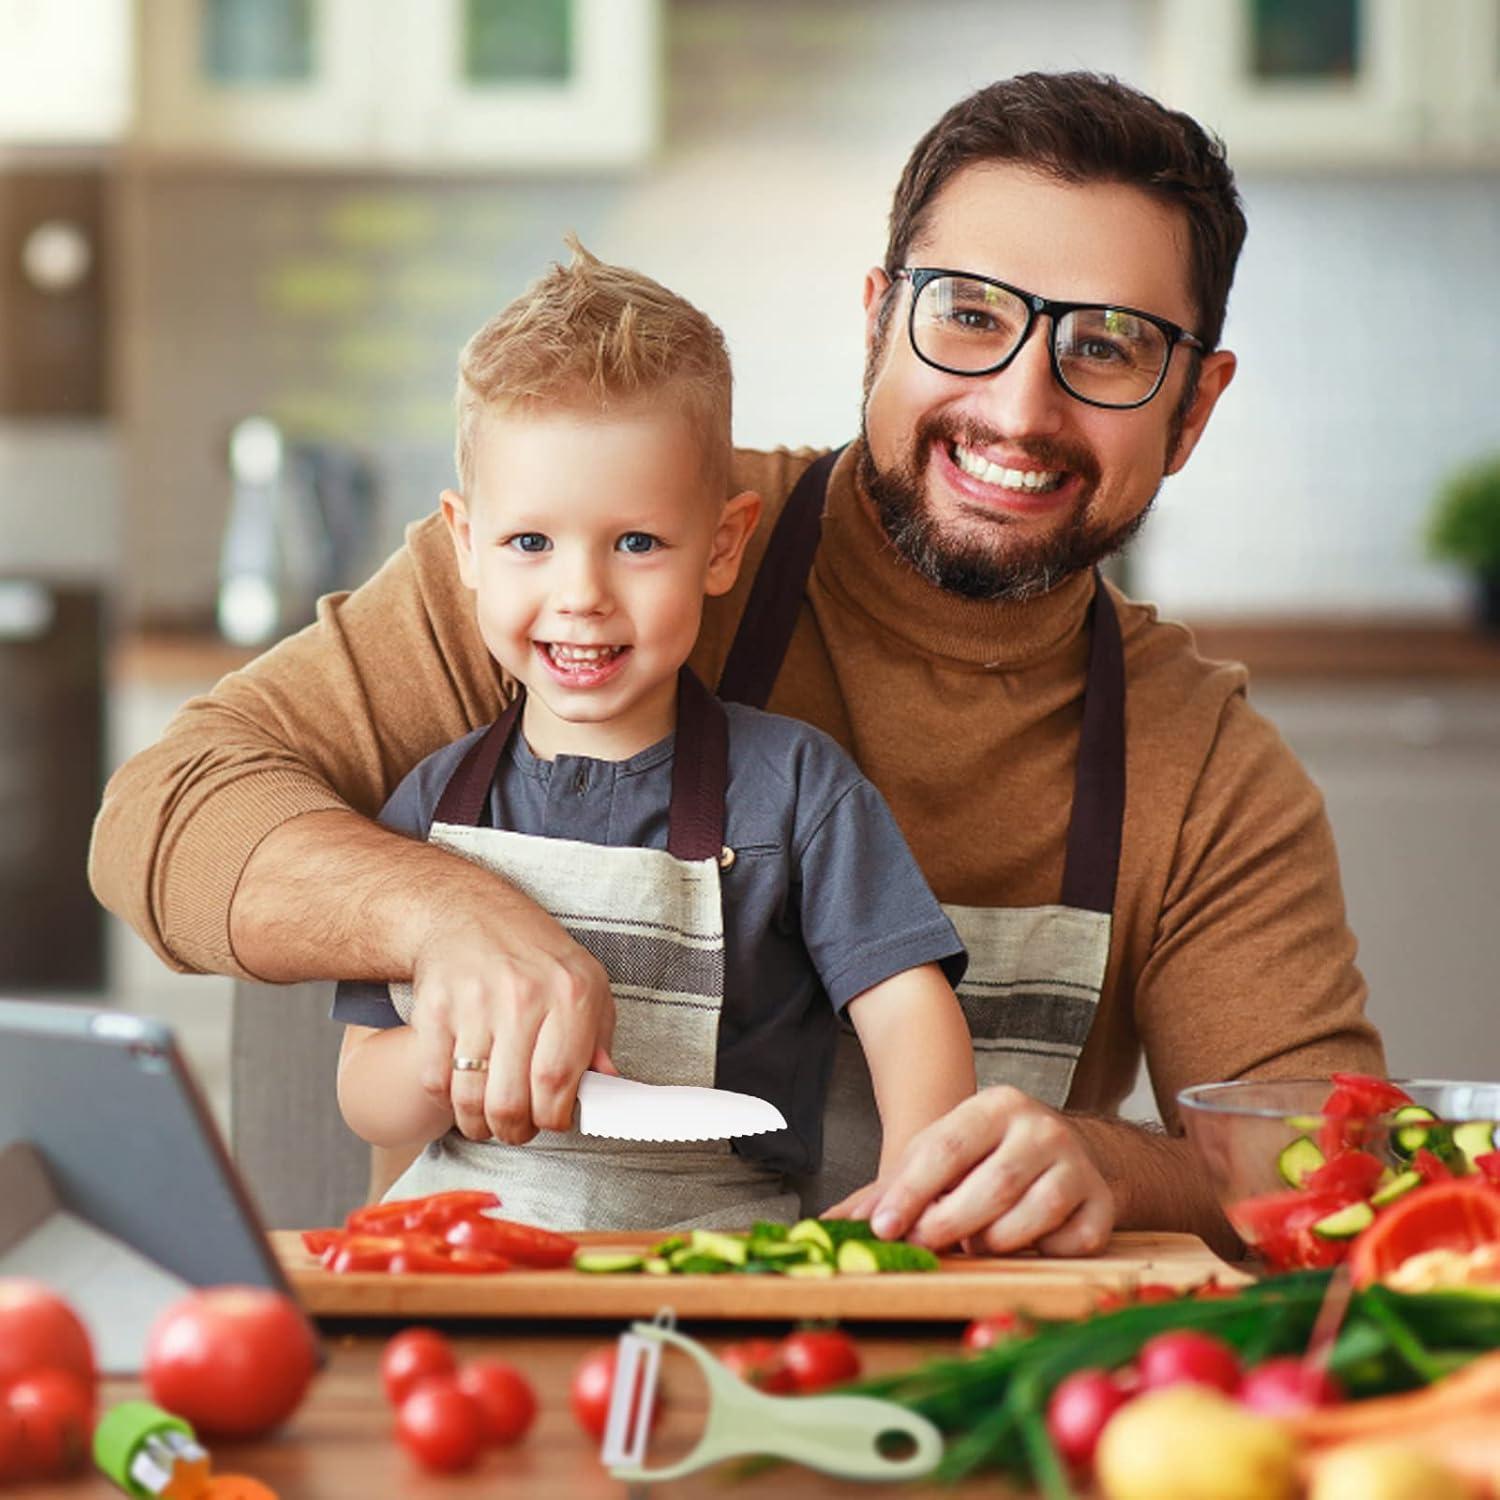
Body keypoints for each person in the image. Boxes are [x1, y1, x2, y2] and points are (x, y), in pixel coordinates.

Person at [90, 71, 1383, 1259]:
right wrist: (442, 916)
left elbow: (1331, 1166)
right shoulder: (598, 563)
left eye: (1105, 347)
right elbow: (160, 817)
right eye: (970, 316)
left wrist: (1112, 1166)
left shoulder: (1205, 765)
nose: (1019, 408)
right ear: (881, 321)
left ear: (1194, 406)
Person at [328, 242, 974, 1230]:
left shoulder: (796, 789)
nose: (580, 595)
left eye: (636, 543)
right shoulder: (433, 805)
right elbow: (362, 1095)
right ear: (465, 544)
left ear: (721, 546)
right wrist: (450, 1053)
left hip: (708, 1258)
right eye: (530, 543)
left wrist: (912, 1200)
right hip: (467, 1261)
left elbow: (907, 1012)